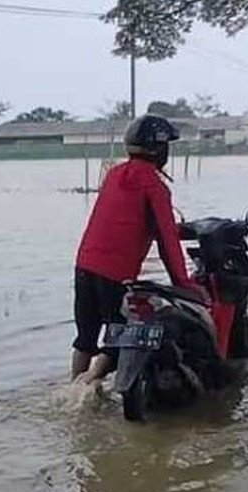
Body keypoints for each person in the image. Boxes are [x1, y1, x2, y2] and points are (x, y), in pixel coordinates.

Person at [70, 114, 203, 383]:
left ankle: (73, 385)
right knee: (118, 341)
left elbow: (127, 221)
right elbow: (167, 242)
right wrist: (185, 284)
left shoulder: (114, 175)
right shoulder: (155, 186)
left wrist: (178, 229)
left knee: (85, 337)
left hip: (84, 266)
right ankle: (86, 387)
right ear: (159, 148)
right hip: (116, 275)